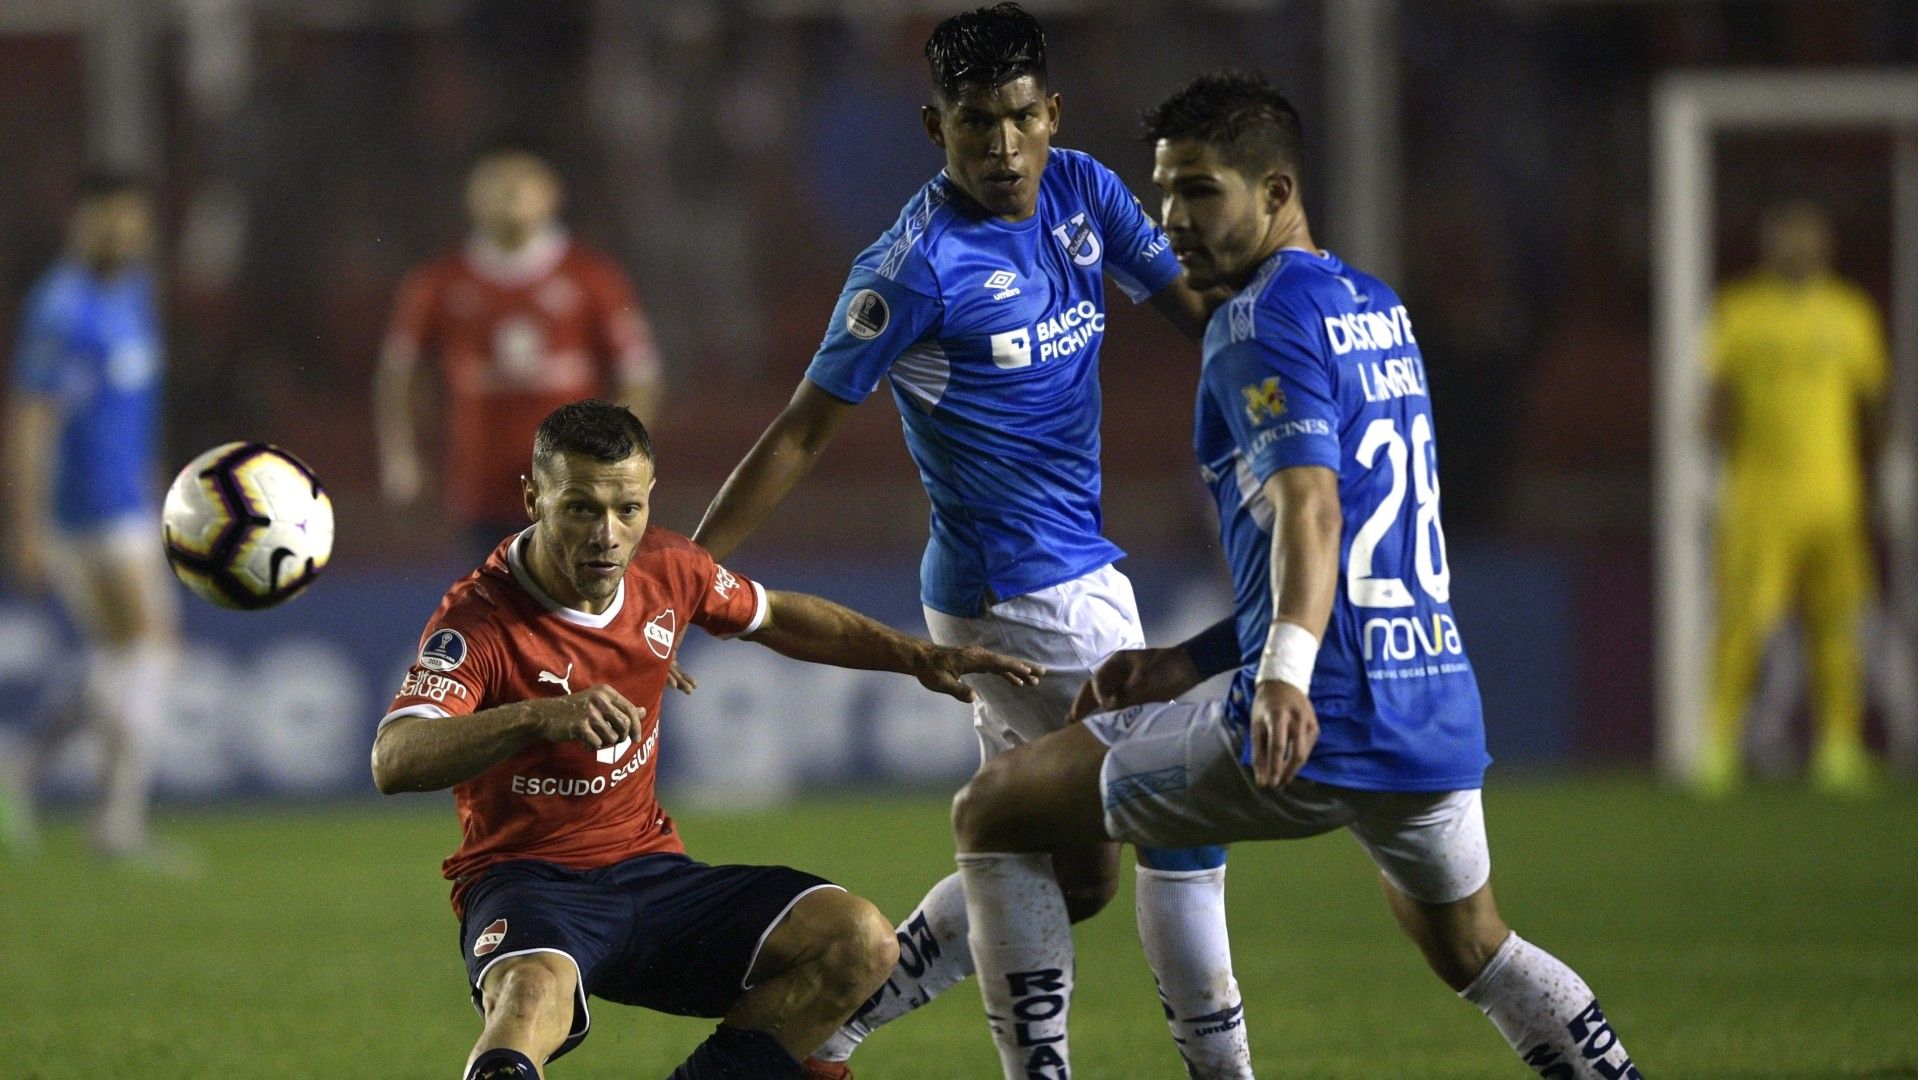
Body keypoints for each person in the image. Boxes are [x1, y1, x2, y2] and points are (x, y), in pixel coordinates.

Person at [949, 72, 1642, 1079]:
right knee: (1475, 948)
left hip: (1323, 713)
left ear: (1277, 193)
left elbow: (1312, 508)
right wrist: (1185, 661)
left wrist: (1278, 676)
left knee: (996, 808)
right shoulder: (1377, 308)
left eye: (1200, 191)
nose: (1171, 221)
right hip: (1431, 703)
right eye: (1162, 191)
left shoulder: (1254, 324)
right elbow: (1352, 545)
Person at [691, 5, 1251, 1077]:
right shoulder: (910, 265)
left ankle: (827, 1028)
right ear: (932, 125)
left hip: (1076, 576)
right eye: (974, 125)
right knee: (1184, 814)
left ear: (1054, 114)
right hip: (1016, 589)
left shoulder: (1083, 190)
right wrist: (690, 574)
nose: (1002, 149)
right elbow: (802, 429)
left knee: (1066, 869)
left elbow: (1202, 313)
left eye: (1019, 119)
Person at [371, 399, 1043, 1080]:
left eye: (627, 509)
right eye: (581, 509)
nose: (608, 534)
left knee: (858, 942)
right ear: (532, 498)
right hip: (528, 886)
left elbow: (776, 615)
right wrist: (537, 717)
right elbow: (393, 759)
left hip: (652, 875)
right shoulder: (481, 618)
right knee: (526, 1003)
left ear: (649, 499)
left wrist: (915, 656)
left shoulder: (668, 567)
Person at [1, 170, 179, 863]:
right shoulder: (60, 307)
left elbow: (133, 404)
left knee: (126, 657)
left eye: (130, 221)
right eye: (106, 220)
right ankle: (112, 823)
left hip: (128, 502)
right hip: (82, 512)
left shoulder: (133, 293)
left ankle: (24, 765)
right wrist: (28, 527)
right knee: (151, 652)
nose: (120, 233)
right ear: (79, 222)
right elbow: (30, 419)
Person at [375, 140, 665, 563]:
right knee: (497, 601)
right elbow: (399, 374)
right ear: (470, 198)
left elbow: (640, 373)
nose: (509, 192)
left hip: (573, 481)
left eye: (522, 181)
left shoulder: (592, 277)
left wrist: (620, 457)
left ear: (552, 194)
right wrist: (401, 458)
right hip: (481, 483)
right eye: (494, 183)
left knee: (572, 600)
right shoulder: (438, 282)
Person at [1699, 201, 1891, 797]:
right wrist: (1716, 469)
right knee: (1743, 623)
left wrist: (1883, 475)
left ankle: (1839, 746)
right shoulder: (1741, 311)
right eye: (1790, 239)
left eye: (1810, 239)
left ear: (1826, 247)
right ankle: (1719, 746)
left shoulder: (1851, 313)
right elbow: (1715, 400)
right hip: (1760, 495)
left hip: (1834, 495)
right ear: (1770, 247)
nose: (1801, 249)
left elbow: (1872, 405)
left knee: (1838, 622)